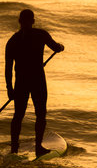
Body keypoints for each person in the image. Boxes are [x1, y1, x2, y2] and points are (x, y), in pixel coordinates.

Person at [5, 9, 64, 157]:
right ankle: (38, 147)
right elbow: (56, 47)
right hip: (37, 80)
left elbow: (8, 68)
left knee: (18, 115)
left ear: (19, 21)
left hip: (21, 82)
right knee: (40, 114)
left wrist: (9, 89)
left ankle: (14, 149)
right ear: (33, 21)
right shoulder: (41, 34)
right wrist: (61, 46)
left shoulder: (13, 40)